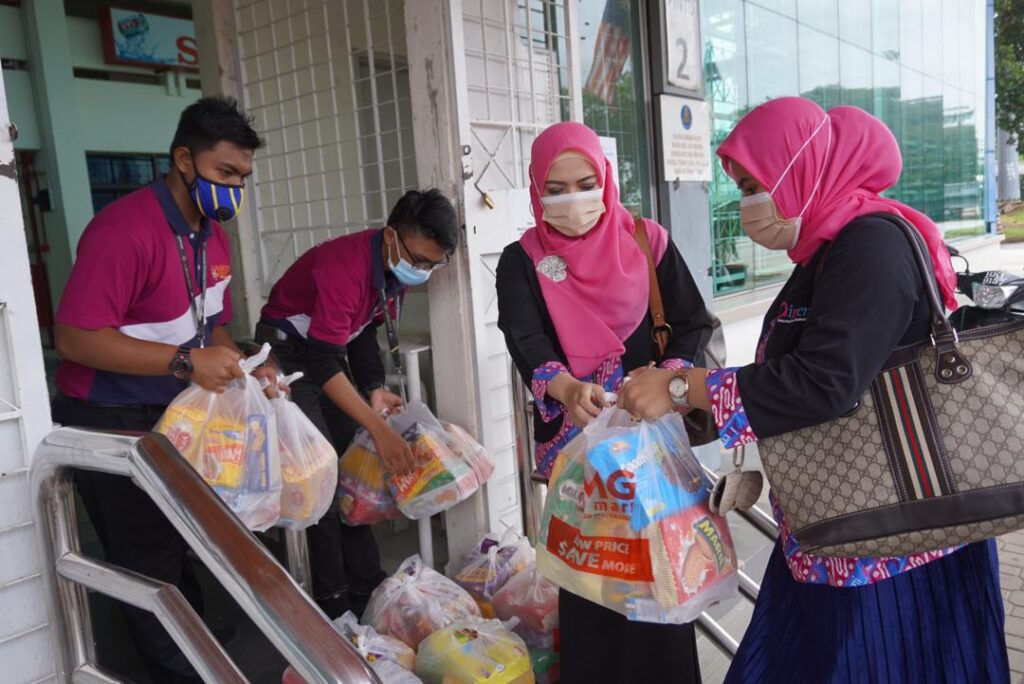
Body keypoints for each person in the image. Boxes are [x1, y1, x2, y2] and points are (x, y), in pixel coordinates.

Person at [619, 97, 1010, 683]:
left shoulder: (870, 245)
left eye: (754, 184)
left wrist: (683, 386)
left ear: (797, 169)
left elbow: (824, 383)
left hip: (892, 549)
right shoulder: (828, 248)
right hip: (838, 525)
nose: (747, 203)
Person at [52, 96, 265, 683]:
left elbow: (210, 321)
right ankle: (177, 667)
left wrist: (242, 359)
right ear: (184, 160)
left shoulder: (212, 235)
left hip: (171, 405)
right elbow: (73, 338)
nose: (234, 189)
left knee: (179, 528)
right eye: (225, 172)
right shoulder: (123, 231)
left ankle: (190, 627)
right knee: (144, 550)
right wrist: (183, 362)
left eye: (243, 177)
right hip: (107, 411)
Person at [496, 121, 713, 684]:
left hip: (649, 450)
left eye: (586, 182)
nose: (574, 200)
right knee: (590, 587)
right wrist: (566, 389)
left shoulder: (648, 239)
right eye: (557, 188)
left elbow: (691, 322)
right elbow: (524, 336)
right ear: (536, 189)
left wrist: (664, 381)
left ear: (607, 178)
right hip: (580, 457)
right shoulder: (521, 260)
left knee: (659, 578)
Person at [255, 188, 459, 619]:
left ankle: (367, 588)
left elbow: (363, 331)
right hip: (288, 356)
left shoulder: (390, 270)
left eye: (432, 265)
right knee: (320, 480)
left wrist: (373, 387)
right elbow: (322, 358)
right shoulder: (343, 268)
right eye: (419, 260)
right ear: (391, 236)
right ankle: (330, 605)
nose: (422, 271)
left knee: (350, 477)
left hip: (323, 355)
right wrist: (379, 429)